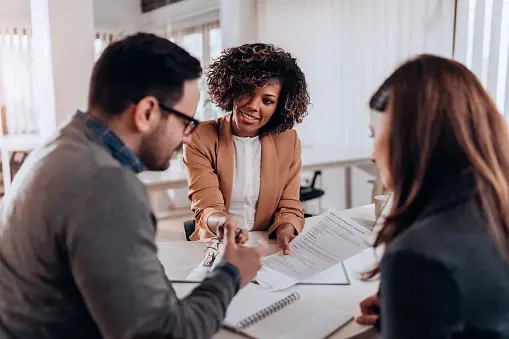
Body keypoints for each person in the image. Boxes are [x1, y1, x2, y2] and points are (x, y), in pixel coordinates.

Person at [0, 33, 267, 339]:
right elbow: (162, 334)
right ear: (146, 113)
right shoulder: (105, 185)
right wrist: (230, 274)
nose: (188, 137)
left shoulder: (58, 146)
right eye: (186, 122)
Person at [356, 54, 509, 338]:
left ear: (411, 139)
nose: (373, 156)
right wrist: (410, 314)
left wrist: (413, 293)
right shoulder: (495, 206)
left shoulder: (417, 256)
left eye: (374, 134)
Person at [183, 43, 310, 254]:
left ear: (279, 107)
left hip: (268, 247)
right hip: (217, 245)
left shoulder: (289, 140)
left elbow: (289, 205)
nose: (253, 105)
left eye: (267, 100)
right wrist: (224, 225)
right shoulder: (200, 137)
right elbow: (207, 207)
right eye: (246, 92)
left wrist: (287, 228)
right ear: (232, 89)